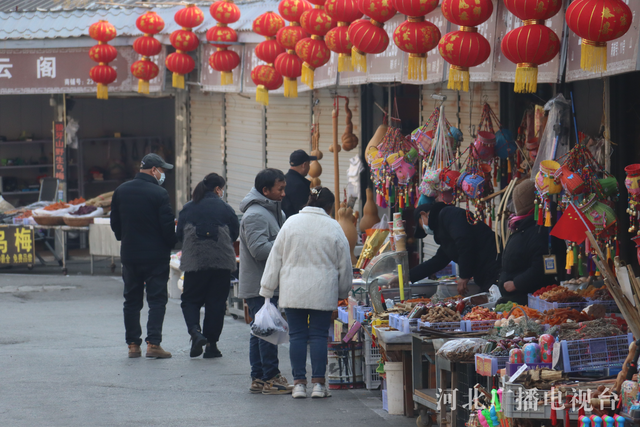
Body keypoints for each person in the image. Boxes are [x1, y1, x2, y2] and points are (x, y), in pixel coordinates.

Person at [260, 187, 352, 399]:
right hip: (323, 290)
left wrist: (267, 288)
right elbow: (344, 264)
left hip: (293, 290)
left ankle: (299, 384)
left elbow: (275, 258)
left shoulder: (291, 223)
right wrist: (342, 290)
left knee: (298, 336)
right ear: (329, 207)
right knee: (319, 336)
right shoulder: (334, 226)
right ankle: (319, 385)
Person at [110, 153, 177, 359]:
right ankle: (153, 344)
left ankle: (133, 345)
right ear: (153, 170)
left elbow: (115, 222)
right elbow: (167, 226)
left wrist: (125, 238)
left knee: (131, 300)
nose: (163, 174)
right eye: (162, 170)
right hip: (156, 256)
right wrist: (171, 244)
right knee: (157, 299)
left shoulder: (121, 190)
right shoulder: (159, 193)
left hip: (130, 255)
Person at [238, 168, 292, 395]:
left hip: (265, 283)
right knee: (267, 331)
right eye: (280, 189)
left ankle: (259, 377)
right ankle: (271, 377)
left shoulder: (270, 210)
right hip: (260, 285)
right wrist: (285, 245)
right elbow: (259, 250)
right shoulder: (256, 215)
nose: (283, 194)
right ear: (265, 190)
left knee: (259, 330)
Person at [176, 173, 239, 358]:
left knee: (190, 300)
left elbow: (180, 234)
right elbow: (234, 233)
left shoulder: (188, 208)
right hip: (221, 262)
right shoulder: (225, 208)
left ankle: (195, 332)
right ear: (218, 189)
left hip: (195, 262)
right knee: (216, 303)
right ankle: (212, 345)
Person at [497, 180, 566, 305]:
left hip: (531, 301)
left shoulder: (541, 231)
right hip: (516, 300)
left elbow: (542, 267)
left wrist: (515, 284)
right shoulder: (524, 227)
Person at [411, 202, 501, 296]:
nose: (424, 230)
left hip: (494, 266)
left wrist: (464, 276)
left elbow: (464, 242)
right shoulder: (442, 231)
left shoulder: (448, 213)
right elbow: (438, 261)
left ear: (423, 214)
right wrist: (408, 277)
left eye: (420, 225)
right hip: (484, 274)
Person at [281, 149, 317, 218]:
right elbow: (304, 212)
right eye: (309, 164)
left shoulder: (283, 179)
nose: (309, 167)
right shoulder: (300, 186)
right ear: (304, 165)